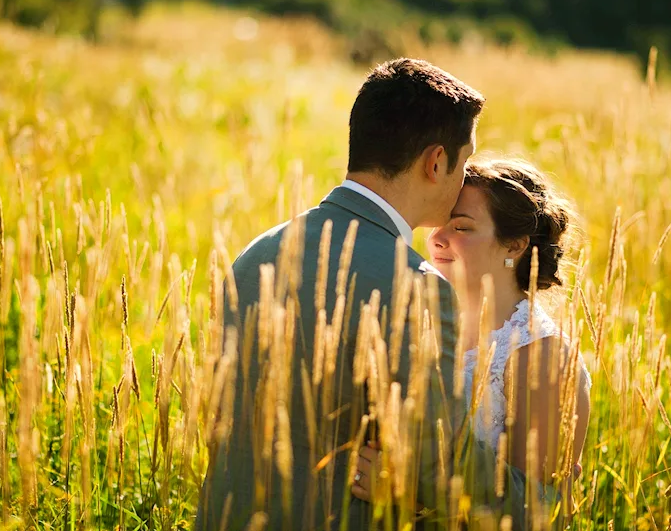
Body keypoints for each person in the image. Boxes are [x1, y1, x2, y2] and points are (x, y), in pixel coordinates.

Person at [195, 59, 535, 531]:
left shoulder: (257, 254)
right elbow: (438, 464)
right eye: (463, 162)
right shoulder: (414, 287)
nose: (463, 180)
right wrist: (537, 500)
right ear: (436, 162)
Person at [351, 158, 592, 519]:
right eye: (438, 224)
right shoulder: (416, 326)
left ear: (514, 246)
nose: (436, 239)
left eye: (461, 228)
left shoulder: (543, 358)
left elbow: (536, 514)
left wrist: (408, 499)